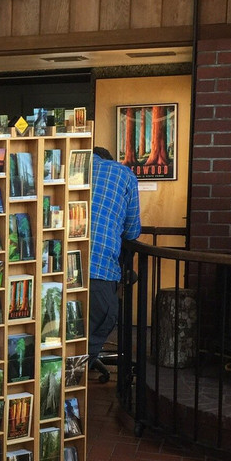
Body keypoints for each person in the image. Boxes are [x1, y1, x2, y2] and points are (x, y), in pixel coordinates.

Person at [88, 145, 141, 378]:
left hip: (53, 270)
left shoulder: (64, 169)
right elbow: (131, 231)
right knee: (99, 325)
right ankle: (67, 395)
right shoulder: (124, 174)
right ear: (108, 158)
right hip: (98, 270)